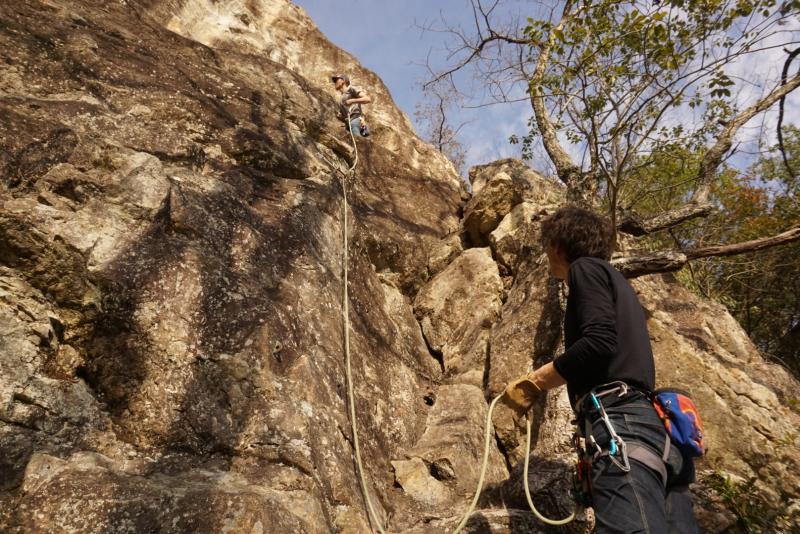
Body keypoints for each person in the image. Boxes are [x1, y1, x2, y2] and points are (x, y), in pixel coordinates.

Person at [501, 206, 699, 533]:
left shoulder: (585, 269)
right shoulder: (617, 284)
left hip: (621, 424)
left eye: (547, 246)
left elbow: (598, 344)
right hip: (655, 436)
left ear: (557, 247)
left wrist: (535, 382)